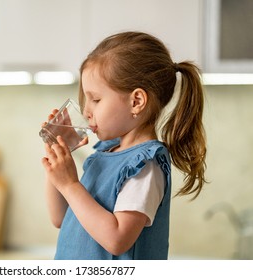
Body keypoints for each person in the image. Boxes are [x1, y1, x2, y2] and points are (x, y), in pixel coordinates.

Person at [41, 31, 207, 260]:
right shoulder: (103, 154)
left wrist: (70, 185)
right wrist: (57, 164)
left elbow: (117, 239)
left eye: (96, 99)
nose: (87, 110)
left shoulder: (145, 166)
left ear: (136, 101)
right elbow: (60, 217)